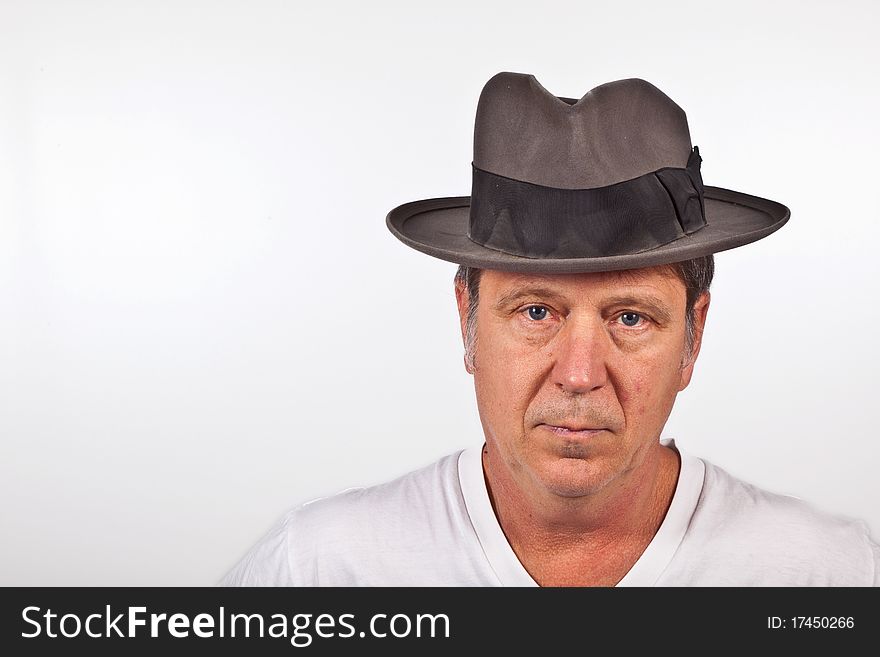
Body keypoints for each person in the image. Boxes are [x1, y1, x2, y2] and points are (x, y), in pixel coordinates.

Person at [220, 72, 880, 586]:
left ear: (692, 338)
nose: (579, 372)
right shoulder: (320, 570)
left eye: (630, 316)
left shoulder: (830, 575)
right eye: (537, 311)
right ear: (467, 320)